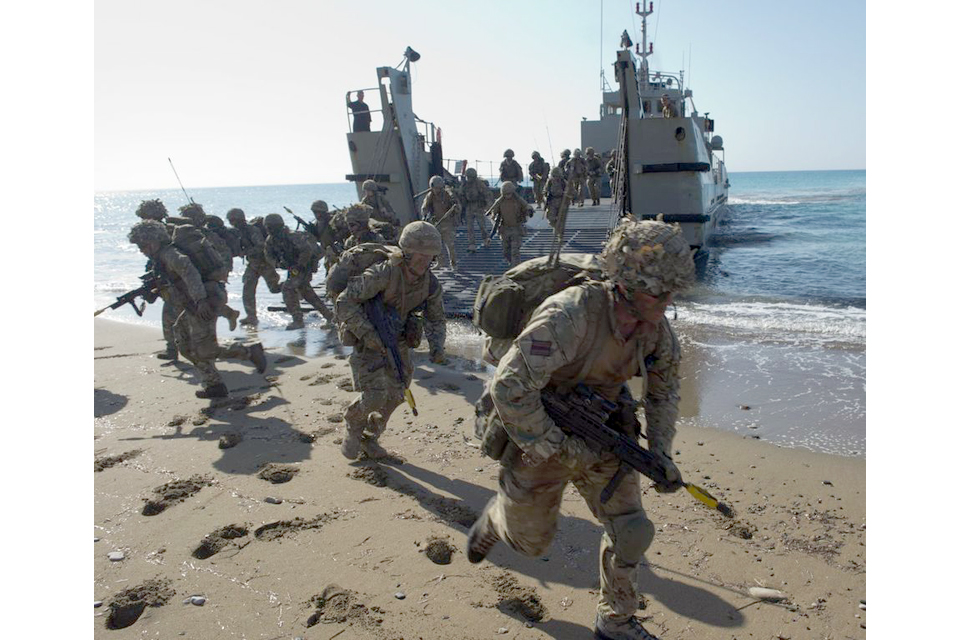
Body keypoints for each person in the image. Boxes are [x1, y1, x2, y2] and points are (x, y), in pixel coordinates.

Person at [467, 217, 696, 640]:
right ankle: (497, 520)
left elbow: (664, 392)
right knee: (531, 544)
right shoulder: (571, 314)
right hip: (540, 429)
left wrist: (660, 452)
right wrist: (558, 447)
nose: (667, 301)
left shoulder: (655, 331)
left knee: (632, 531)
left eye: (672, 292)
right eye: (658, 292)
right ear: (627, 284)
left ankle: (616, 620)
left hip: (606, 431)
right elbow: (511, 387)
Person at [335, 221, 447, 460]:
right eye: (420, 257)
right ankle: (353, 424)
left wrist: (437, 347)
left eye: (430, 258)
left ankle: (370, 437)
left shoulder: (430, 283)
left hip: (399, 341)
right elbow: (345, 302)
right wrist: (367, 333)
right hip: (369, 340)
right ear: (406, 252)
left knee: (397, 395)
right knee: (375, 395)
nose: (424, 263)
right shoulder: (383, 273)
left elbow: (436, 318)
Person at [128, 220, 267, 398]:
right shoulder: (160, 258)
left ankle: (249, 352)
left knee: (205, 349)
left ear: (154, 241)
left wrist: (201, 301)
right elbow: (172, 282)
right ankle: (214, 384)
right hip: (192, 303)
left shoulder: (171, 254)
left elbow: (190, 273)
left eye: (143, 245)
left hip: (205, 301)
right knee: (184, 345)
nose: (142, 250)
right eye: (139, 247)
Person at [171, 203, 240, 330]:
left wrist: (221, 273)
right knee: (199, 306)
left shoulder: (208, 235)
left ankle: (211, 340)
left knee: (210, 306)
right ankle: (229, 315)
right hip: (195, 276)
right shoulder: (184, 235)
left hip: (211, 277)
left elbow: (225, 253)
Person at [262, 213, 335, 330]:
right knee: (307, 293)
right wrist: (277, 264)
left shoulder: (292, 236)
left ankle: (298, 320)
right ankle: (329, 316)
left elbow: (306, 250)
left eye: (271, 227)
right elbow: (268, 255)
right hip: (292, 268)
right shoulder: (271, 240)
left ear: (279, 226)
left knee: (287, 288)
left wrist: (300, 264)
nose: (268, 230)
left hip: (303, 267)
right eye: (267, 227)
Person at [135, 199, 179, 360]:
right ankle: (173, 349)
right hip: (165, 278)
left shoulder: (168, 230)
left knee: (173, 315)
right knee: (171, 315)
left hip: (176, 279)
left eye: (145, 216)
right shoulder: (159, 230)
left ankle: (177, 349)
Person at [226, 208, 281, 327]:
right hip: (252, 265)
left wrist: (246, 252)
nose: (231, 223)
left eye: (233, 220)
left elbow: (261, 246)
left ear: (239, 219)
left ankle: (295, 288)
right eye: (230, 221)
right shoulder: (239, 232)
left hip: (264, 263)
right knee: (247, 290)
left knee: (274, 288)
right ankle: (251, 316)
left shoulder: (252, 230)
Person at [487, 181, 532, 267]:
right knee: (505, 252)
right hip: (505, 229)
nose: (508, 196)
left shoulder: (518, 201)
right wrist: (491, 235)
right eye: (506, 194)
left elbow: (526, 208)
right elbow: (495, 216)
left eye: (509, 194)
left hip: (516, 229)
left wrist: (528, 211)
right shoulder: (500, 203)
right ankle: (512, 264)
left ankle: (515, 268)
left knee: (515, 251)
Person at [420, 175, 461, 270]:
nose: (436, 190)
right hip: (436, 222)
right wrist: (425, 215)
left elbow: (457, 207)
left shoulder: (448, 195)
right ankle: (440, 262)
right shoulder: (430, 195)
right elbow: (425, 207)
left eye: (438, 188)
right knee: (436, 244)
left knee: (450, 244)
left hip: (447, 222)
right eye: (435, 188)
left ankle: (453, 263)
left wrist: (455, 208)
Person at [458, 167, 492, 252]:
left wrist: (489, 207)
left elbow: (487, 194)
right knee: (469, 227)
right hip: (469, 206)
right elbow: (460, 194)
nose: (468, 179)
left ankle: (486, 239)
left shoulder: (479, 184)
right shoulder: (465, 184)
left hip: (478, 206)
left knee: (482, 225)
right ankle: (471, 244)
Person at [306, 200, 343, 274]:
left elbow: (340, 236)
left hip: (337, 252)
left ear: (323, 212)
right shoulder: (318, 223)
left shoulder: (333, 221)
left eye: (317, 212)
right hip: (327, 251)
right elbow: (320, 239)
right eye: (314, 212)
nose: (316, 214)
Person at [542, 166, 566, 232]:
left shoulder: (563, 182)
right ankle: (556, 227)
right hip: (552, 201)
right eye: (554, 176)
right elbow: (544, 191)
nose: (556, 177)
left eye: (557, 176)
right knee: (550, 218)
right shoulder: (549, 182)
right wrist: (546, 195)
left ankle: (559, 234)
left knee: (561, 219)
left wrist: (566, 194)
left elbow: (571, 191)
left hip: (562, 201)